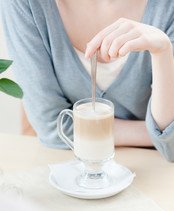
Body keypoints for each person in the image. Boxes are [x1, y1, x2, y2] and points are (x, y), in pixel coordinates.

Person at [0, 0, 174, 161]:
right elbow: (52, 127)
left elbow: (171, 147)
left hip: (154, 167)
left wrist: (163, 53)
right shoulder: (25, 3)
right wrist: (157, 136)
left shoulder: (167, 8)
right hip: (67, 166)